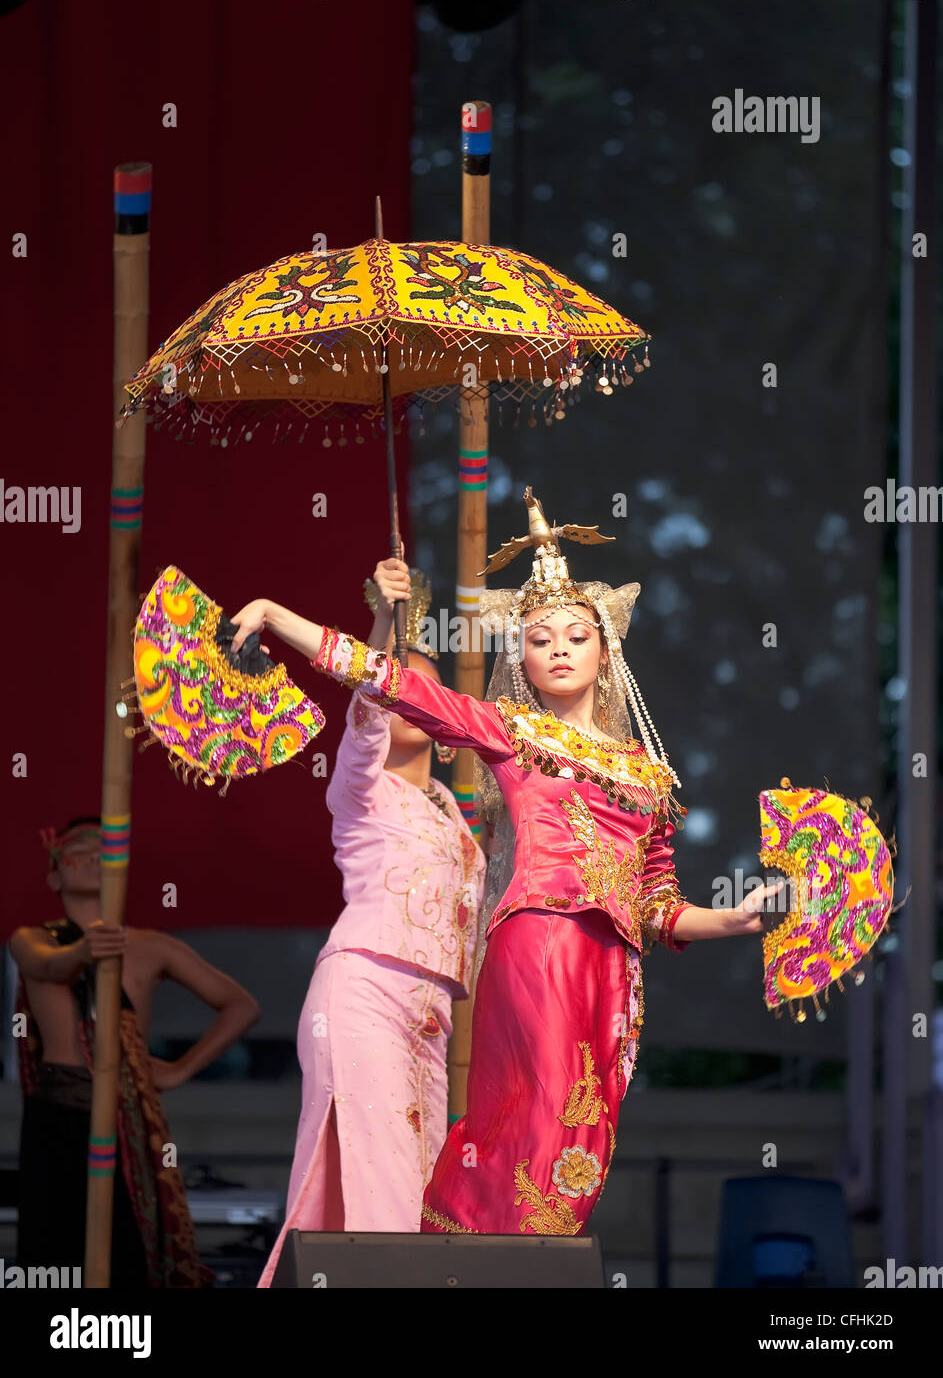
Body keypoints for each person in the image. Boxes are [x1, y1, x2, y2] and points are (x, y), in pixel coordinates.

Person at [230, 488, 779, 1236]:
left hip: (615, 968)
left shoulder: (646, 773)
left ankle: (464, 1253)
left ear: (604, 648)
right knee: (543, 1112)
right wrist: (273, 613)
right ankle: (476, 1256)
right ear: (517, 656)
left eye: (575, 635)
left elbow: (657, 906)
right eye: (538, 636)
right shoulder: (510, 731)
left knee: (581, 1142)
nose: (557, 647)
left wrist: (738, 918)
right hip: (541, 940)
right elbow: (390, 682)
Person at [257, 571, 484, 1285]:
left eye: (419, 689)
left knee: (409, 1193)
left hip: (430, 1020)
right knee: (383, 1192)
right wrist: (385, 626)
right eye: (394, 683)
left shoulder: (458, 820)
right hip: (361, 993)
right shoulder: (359, 787)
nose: (399, 694)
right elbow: (365, 700)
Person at [10, 816, 260, 1286]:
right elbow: (46, 966)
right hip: (59, 1116)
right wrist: (84, 953)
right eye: (74, 854)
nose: (88, 860)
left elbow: (241, 1006)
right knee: (52, 1259)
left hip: (127, 1116)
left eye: (99, 851)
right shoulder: (33, 939)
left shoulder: (151, 947)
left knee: (130, 1256)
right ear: (54, 876)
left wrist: (181, 1069)